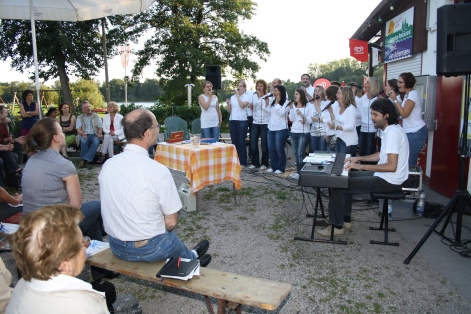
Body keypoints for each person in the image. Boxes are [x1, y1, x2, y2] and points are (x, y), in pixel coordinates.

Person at [99, 109, 211, 266]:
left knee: (164, 236)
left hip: (116, 245)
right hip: (148, 248)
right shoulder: (157, 171)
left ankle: (191, 255)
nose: (158, 129)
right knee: (168, 239)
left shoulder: (108, 165)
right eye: (156, 126)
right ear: (147, 133)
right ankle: (193, 260)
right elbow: (171, 222)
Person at [317, 98, 409, 237]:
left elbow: (391, 166)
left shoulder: (392, 133)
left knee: (338, 185)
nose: (372, 118)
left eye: (376, 115)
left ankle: (336, 227)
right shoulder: (391, 130)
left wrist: (360, 166)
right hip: (385, 178)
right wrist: (358, 158)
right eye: (371, 114)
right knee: (344, 178)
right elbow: (381, 155)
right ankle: (345, 221)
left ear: (387, 115)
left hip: (389, 181)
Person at [6, 205, 109, 314]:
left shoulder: (22, 286)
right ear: (65, 263)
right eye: (82, 242)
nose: (85, 246)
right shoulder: (83, 304)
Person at [21, 118, 103, 246]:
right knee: (97, 206)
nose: (64, 133)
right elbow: (76, 205)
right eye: (61, 131)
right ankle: (96, 254)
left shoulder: (31, 160)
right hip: (53, 225)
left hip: (31, 222)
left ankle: (93, 251)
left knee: (92, 223)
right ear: (56, 138)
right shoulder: (64, 165)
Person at [390, 72, 428, 167]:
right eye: (398, 82)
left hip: (416, 132)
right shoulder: (407, 95)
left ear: (407, 83)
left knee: (410, 161)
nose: (397, 84)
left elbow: (404, 114)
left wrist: (395, 99)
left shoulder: (412, 95)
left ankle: (411, 180)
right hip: (410, 131)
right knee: (406, 160)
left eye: (400, 82)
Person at [327, 87, 358, 155]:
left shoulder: (351, 108)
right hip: (339, 138)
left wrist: (335, 127)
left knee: (343, 163)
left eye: (339, 93)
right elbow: (336, 123)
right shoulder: (339, 107)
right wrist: (331, 112)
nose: (336, 95)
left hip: (348, 142)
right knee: (338, 161)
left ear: (345, 95)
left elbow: (351, 126)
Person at [288, 89, 312, 179]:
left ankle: (300, 173)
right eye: (294, 94)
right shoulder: (294, 106)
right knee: (296, 153)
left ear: (301, 95)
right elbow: (292, 119)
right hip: (294, 132)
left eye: (297, 94)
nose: (295, 96)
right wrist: (291, 109)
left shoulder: (308, 105)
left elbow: (309, 121)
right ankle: (300, 171)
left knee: (300, 153)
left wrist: (302, 116)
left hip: (304, 132)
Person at [267, 85, 289, 174]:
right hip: (271, 128)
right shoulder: (272, 101)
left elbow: (281, 113)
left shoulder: (286, 102)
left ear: (280, 92)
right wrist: (268, 103)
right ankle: (273, 166)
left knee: (279, 149)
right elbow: (269, 112)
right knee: (271, 148)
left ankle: (280, 167)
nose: (273, 92)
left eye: (275, 91)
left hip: (281, 128)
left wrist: (277, 103)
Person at [248, 80, 270, 170]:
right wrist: (251, 107)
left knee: (264, 145)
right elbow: (254, 109)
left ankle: (264, 163)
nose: (259, 88)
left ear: (264, 87)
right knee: (253, 143)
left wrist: (261, 97)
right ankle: (255, 162)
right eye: (258, 86)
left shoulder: (268, 97)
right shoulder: (253, 96)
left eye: (261, 86)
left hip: (265, 122)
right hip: (255, 122)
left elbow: (268, 110)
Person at [227, 81, 250, 167]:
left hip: (242, 121)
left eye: (240, 86)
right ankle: (234, 161)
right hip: (232, 120)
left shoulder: (247, 97)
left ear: (244, 88)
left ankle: (242, 162)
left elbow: (242, 105)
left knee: (241, 141)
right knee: (234, 141)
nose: (238, 87)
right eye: (238, 86)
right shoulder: (232, 97)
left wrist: (237, 95)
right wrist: (228, 104)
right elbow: (229, 111)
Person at [76, 100, 103, 168]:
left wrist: (99, 133)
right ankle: (86, 159)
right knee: (83, 141)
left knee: (96, 141)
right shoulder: (80, 117)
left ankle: (84, 160)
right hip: (84, 134)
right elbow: (78, 129)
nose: (88, 108)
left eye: (89, 106)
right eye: (85, 107)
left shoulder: (96, 116)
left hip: (94, 134)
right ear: (82, 110)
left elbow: (100, 126)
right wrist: (83, 134)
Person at [358, 77, 381, 157]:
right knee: (362, 151)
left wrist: (377, 129)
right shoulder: (363, 98)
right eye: (365, 82)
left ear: (373, 85)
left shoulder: (377, 99)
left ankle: (369, 169)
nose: (365, 84)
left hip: (372, 129)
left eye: (367, 83)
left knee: (370, 152)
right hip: (363, 128)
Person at [309, 85, 330, 152]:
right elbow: (311, 118)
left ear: (322, 93)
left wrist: (317, 106)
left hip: (323, 132)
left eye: (319, 91)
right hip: (313, 132)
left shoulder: (326, 104)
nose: (317, 92)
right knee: (314, 153)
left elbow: (326, 118)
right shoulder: (311, 105)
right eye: (315, 91)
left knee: (322, 153)